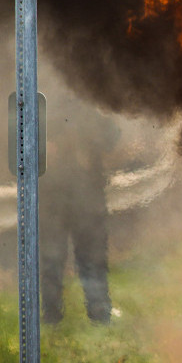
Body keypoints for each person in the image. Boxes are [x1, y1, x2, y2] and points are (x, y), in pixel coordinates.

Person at [40, 88, 119, 325]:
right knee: (56, 260)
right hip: (59, 199)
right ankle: (57, 316)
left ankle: (96, 315)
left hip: (83, 199)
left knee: (86, 260)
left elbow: (111, 138)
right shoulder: (49, 113)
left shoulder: (88, 112)